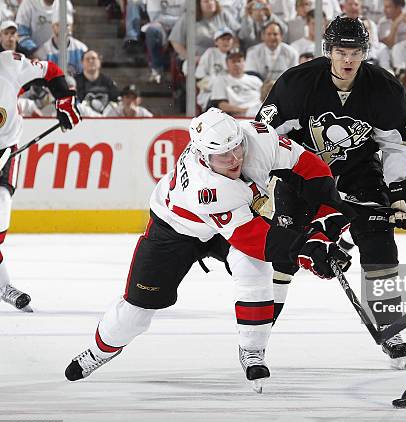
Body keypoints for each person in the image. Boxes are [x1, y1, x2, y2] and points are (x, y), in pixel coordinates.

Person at [64, 108, 351, 393]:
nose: (235, 159)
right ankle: (99, 351)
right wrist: (307, 249)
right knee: (137, 311)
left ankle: (253, 350)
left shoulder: (259, 138)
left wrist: (326, 217)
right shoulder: (207, 188)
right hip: (175, 229)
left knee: (254, 269)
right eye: (223, 155)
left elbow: (310, 167)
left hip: (234, 219)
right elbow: (253, 238)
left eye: (237, 148)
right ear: (203, 156)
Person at [257, 16, 406, 370]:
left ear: (366, 53)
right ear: (328, 51)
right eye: (341, 51)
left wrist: (399, 192)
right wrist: (260, 185)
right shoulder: (298, 83)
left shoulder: (384, 88)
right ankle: (259, 330)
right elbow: (265, 139)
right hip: (302, 171)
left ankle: (390, 327)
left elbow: (395, 147)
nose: (348, 59)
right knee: (284, 251)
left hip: (358, 171)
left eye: (356, 52)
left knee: (379, 238)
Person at [0, 50, 81, 311]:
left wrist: (65, 101)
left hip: (5, 150)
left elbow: (51, 71)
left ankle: (2, 286)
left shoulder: (9, 64)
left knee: (0, 213)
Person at [210, 48, 263, 117]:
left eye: (239, 61)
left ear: (244, 62)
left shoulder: (255, 79)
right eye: (233, 61)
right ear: (227, 64)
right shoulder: (221, 80)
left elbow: (266, 98)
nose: (237, 64)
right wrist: (246, 110)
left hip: (260, 114)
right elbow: (222, 106)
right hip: (238, 117)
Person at [74, 50, 120, 116]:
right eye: (87, 59)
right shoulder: (75, 82)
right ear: (82, 62)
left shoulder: (108, 81)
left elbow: (115, 103)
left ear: (99, 61)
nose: (90, 61)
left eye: (93, 58)